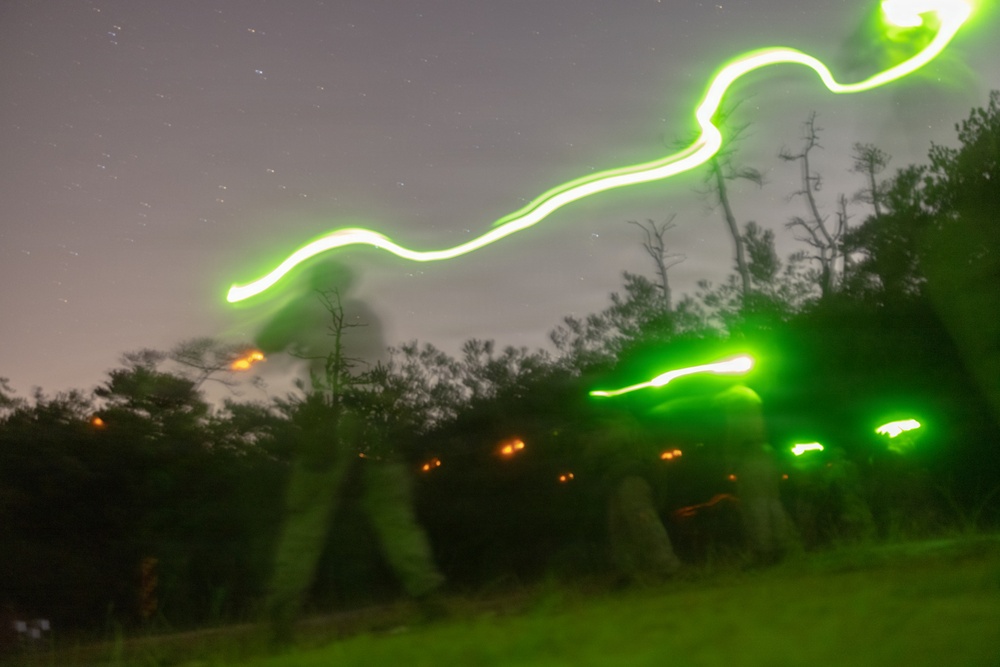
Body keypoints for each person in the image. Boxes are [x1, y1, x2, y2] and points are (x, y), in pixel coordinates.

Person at [254, 261, 444, 641]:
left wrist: (294, 342)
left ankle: (280, 620)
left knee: (307, 515)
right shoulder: (366, 312)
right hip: (379, 416)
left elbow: (266, 339)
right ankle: (430, 599)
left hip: (332, 414)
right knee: (393, 511)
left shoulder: (305, 307)